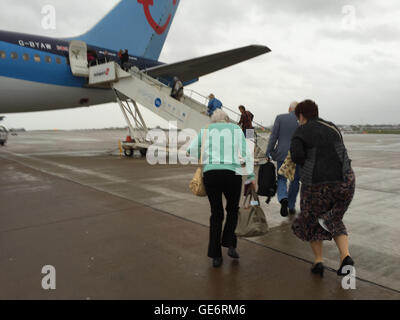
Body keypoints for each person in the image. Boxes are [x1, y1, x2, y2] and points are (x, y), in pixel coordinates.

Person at [290, 100, 355, 277]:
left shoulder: (301, 131)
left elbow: (296, 156)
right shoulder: (332, 127)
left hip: (317, 185)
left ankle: (319, 261)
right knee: (333, 218)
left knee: (311, 219)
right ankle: (345, 256)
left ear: (301, 116)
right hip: (345, 180)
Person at [187, 109, 256, 268]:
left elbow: (190, 150)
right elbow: (247, 154)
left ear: (213, 120)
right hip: (232, 173)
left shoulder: (205, 130)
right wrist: (251, 176)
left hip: (211, 173)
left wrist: (205, 157)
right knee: (232, 210)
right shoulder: (236, 129)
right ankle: (231, 245)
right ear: (227, 119)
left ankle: (216, 256)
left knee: (216, 214)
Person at [266, 102, 300, 217]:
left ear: (289, 109)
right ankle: (291, 206)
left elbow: (273, 137)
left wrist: (269, 151)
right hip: (297, 154)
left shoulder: (280, 118)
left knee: (281, 178)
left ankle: (283, 198)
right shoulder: (302, 120)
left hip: (282, 154)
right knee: (295, 181)